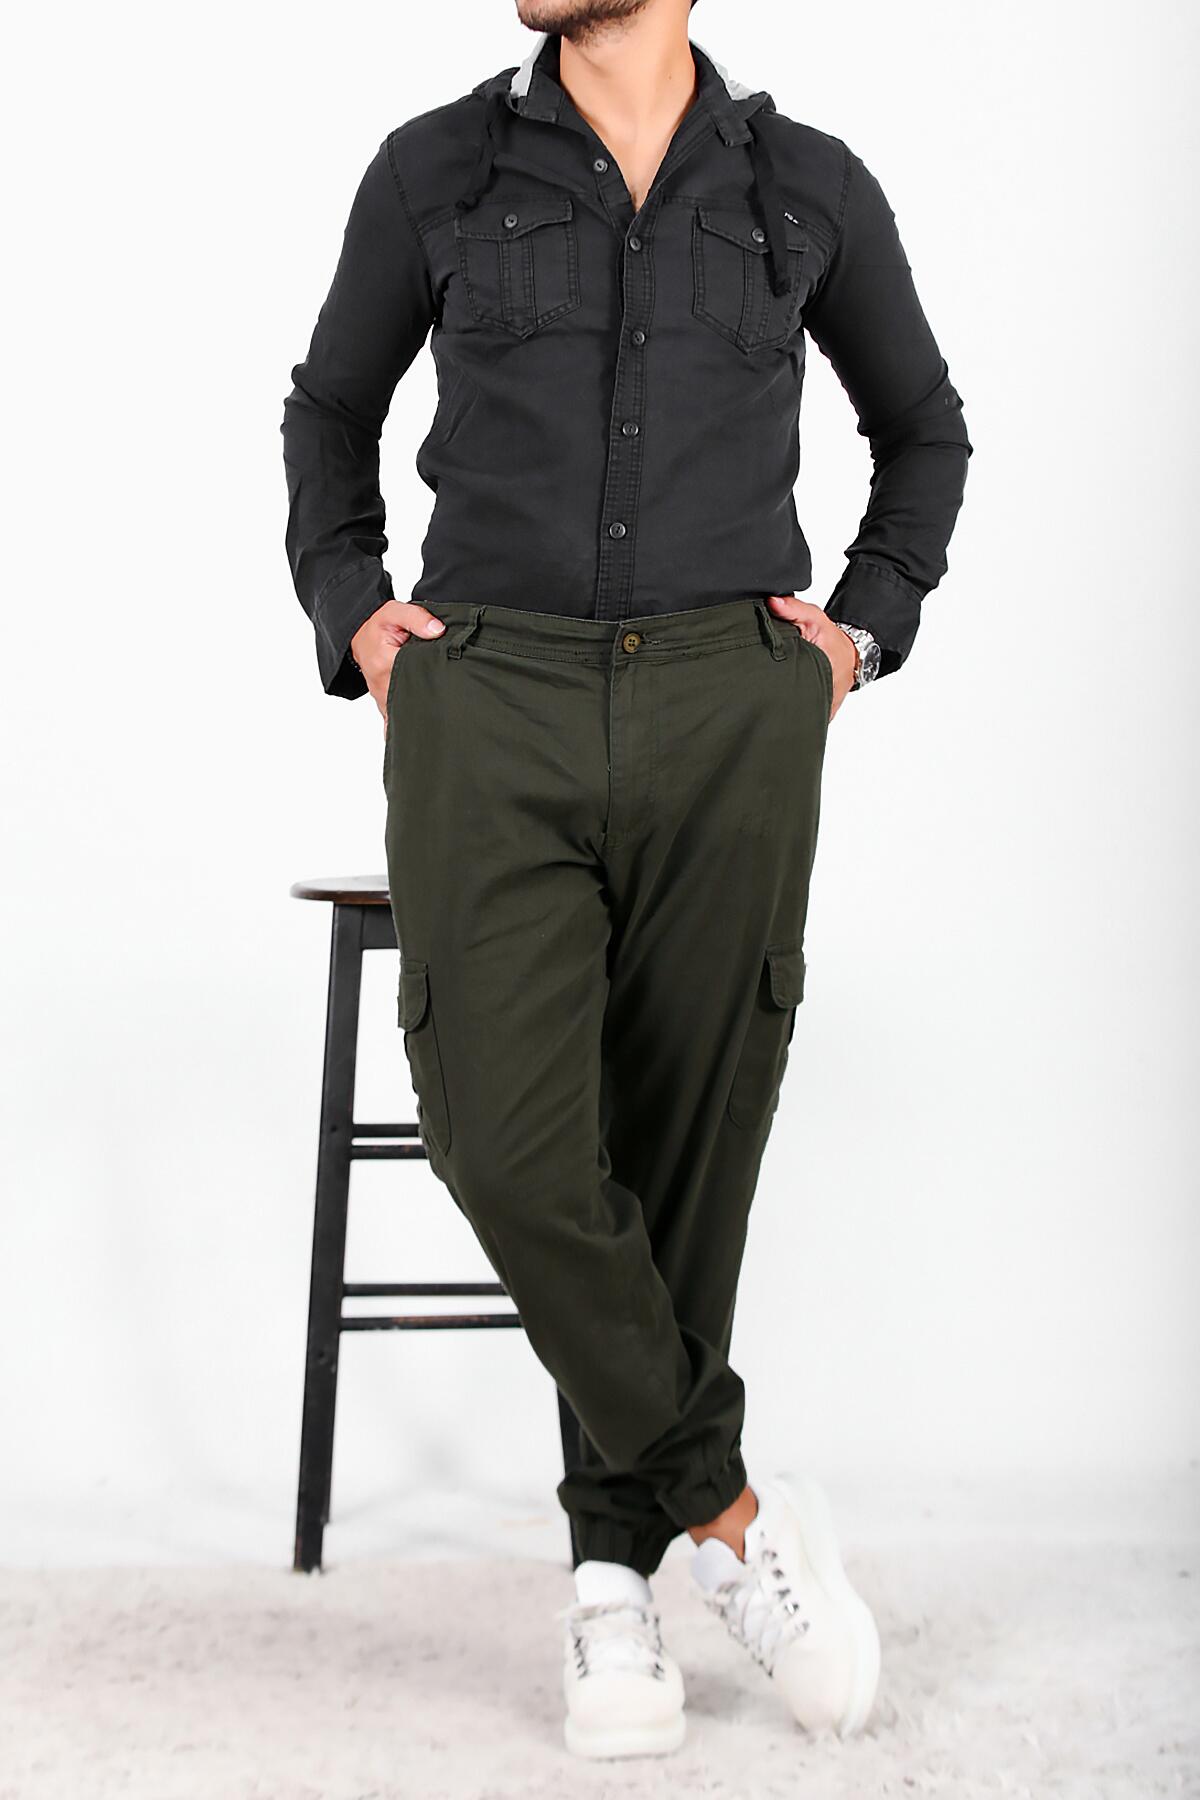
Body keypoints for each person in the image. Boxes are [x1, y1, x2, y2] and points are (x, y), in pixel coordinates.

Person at [281, 0, 971, 1761]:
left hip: (730, 706)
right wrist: (357, 618)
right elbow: (328, 411)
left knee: (685, 1157)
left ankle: (610, 1590)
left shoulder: (807, 187)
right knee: (501, 1137)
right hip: (488, 697)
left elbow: (927, 432)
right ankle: (732, 1522)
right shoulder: (435, 168)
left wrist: (854, 639)